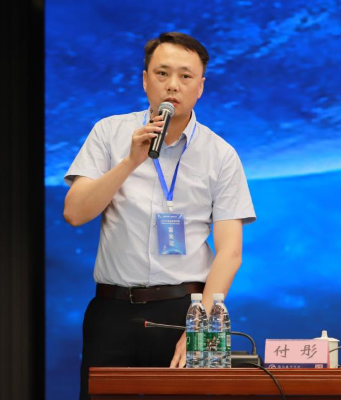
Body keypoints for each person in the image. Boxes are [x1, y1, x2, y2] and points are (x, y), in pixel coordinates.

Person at [63, 32, 255, 400]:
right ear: (145, 79)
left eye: (185, 76)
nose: (172, 85)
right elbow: (75, 212)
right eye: (162, 73)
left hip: (185, 311)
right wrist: (130, 161)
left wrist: (201, 328)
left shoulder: (220, 154)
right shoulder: (108, 132)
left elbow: (230, 252)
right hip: (112, 310)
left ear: (201, 86)